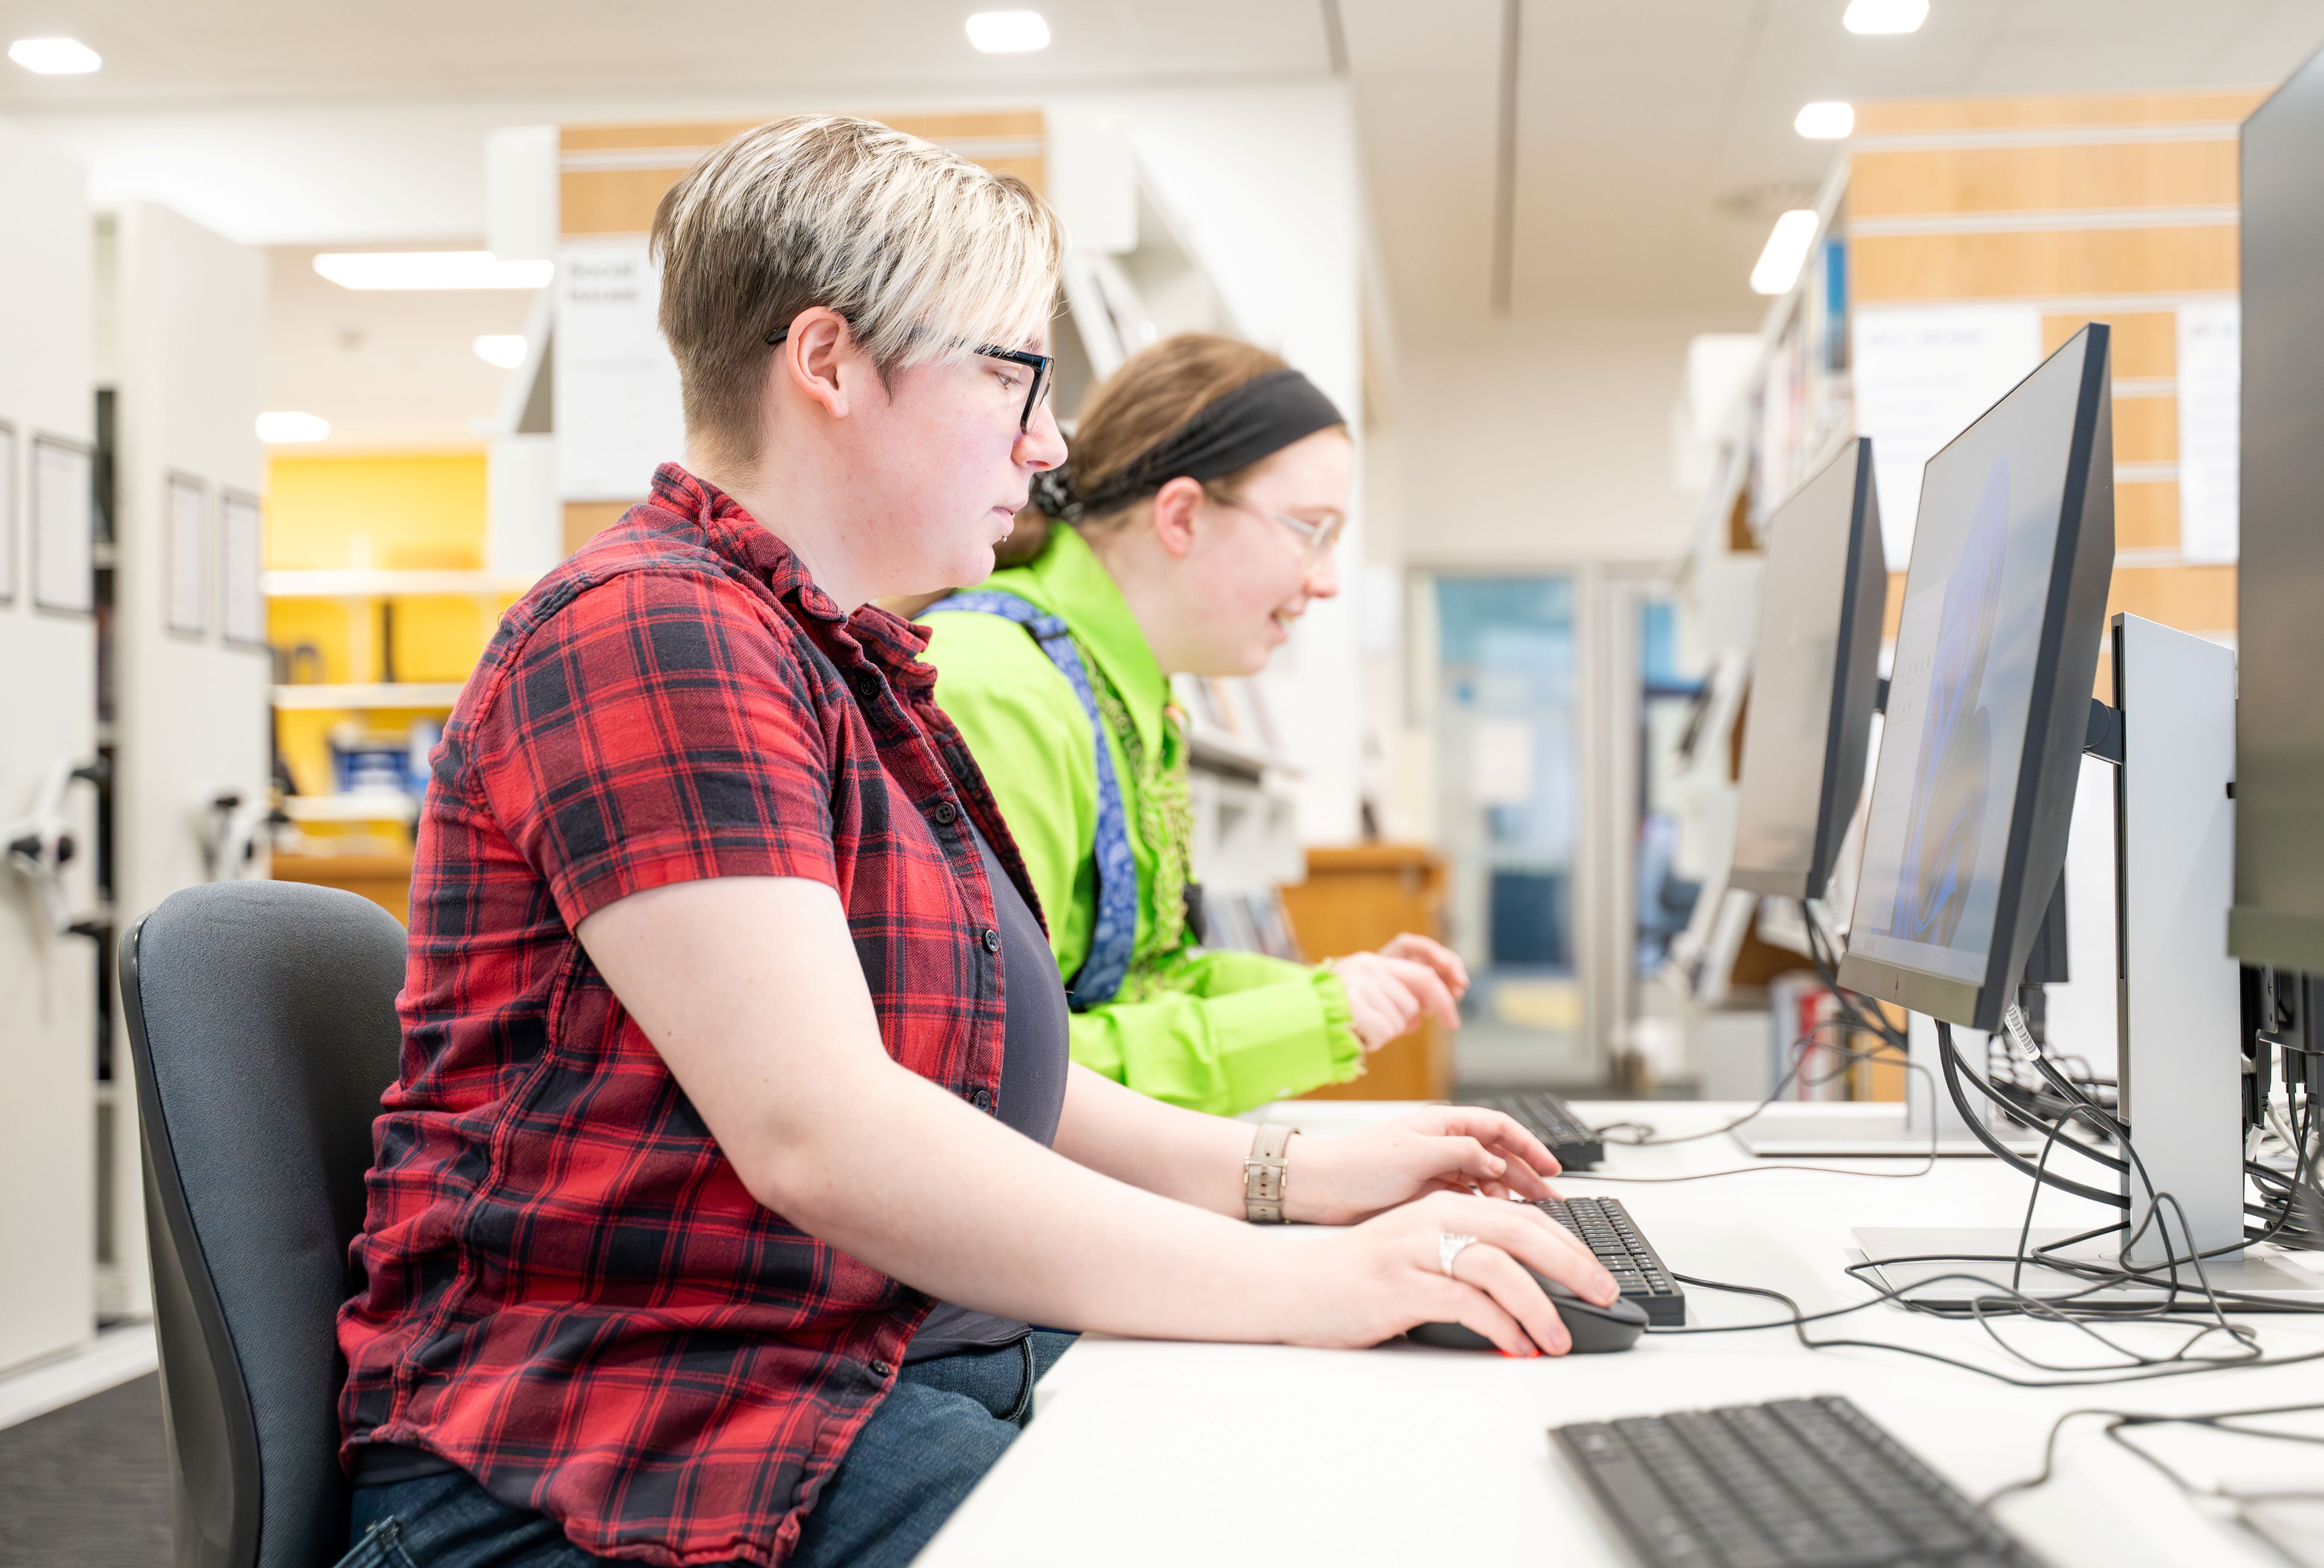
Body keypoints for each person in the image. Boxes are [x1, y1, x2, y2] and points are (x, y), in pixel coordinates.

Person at [332, 116, 1614, 1568]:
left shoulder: (846, 663)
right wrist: (1313, 1275)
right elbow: (826, 1132)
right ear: (827, 364)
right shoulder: (653, 627)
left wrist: (1298, 1180)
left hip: (824, 1386)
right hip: (634, 1448)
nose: (1051, 442)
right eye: (1010, 374)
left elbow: (987, 1088)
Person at [917, 335, 1466, 1116]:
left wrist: (1337, 989)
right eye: (1312, 530)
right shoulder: (1003, 691)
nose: (1329, 582)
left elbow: (1144, 977)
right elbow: (988, 1064)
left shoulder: (1131, 696)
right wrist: (1313, 1018)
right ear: (1181, 516)